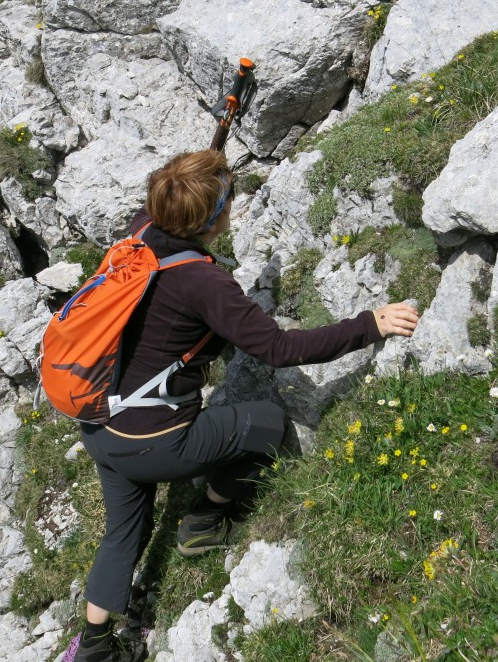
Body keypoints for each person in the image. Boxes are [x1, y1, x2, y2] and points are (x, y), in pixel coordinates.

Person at [72, 150, 419, 662]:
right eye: (227, 200)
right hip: (154, 442)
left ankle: (94, 648)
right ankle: (205, 520)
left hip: (100, 424)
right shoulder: (205, 283)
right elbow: (278, 349)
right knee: (270, 424)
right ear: (212, 221)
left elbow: (173, 194)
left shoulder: (139, 234)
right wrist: (368, 324)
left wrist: (210, 158)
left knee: (124, 531)